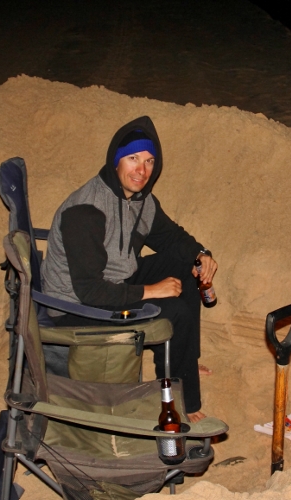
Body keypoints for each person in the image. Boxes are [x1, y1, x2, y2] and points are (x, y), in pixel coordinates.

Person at [41, 116, 217, 423]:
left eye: (149, 161)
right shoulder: (86, 210)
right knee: (175, 310)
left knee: (184, 265)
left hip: (114, 279)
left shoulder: (140, 200)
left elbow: (172, 238)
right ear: (116, 160)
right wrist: (151, 290)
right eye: (133, 158)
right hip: (76, 305)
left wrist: (201, 255)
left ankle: (184, 360)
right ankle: (183, 398)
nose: (142, 170)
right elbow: (89, 290)